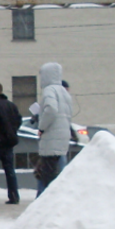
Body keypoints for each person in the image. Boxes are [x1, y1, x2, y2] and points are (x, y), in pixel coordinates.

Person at [35, 63, 74, 195]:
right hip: (62, 138)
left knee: (47, 175)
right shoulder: (64, 92)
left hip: (51, 139)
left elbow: (51, 109)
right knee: (56, 173)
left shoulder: (49, 90)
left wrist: (42, 127)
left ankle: (43, 204)